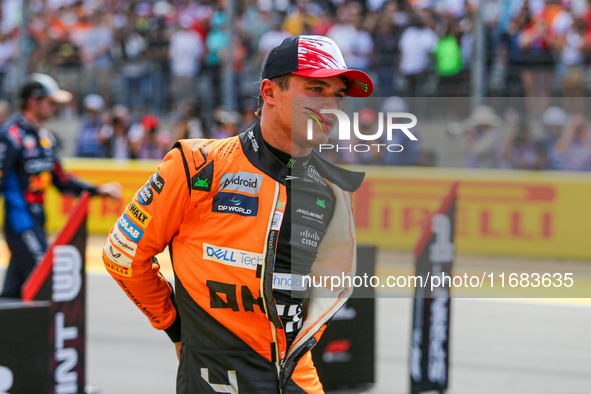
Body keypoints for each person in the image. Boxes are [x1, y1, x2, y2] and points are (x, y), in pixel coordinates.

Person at [102, 35, 373, 393]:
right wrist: (176, 328)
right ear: (270, 92)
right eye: (315, 89)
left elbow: (325, 292)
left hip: (298, 379)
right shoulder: (197, 166)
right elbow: (122, 256)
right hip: (217, 378)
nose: (330, 105)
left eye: (337, 94)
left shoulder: (332, 191)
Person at [0, 73, 121, 299]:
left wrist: (98, 190)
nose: (55, 108)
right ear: (33, 101)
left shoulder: (46, 138)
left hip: (38, 220)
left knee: (14, 292)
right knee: (43, 277)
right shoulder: (10, 136)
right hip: (20, 221)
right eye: (51, 102)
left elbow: (62, 181)